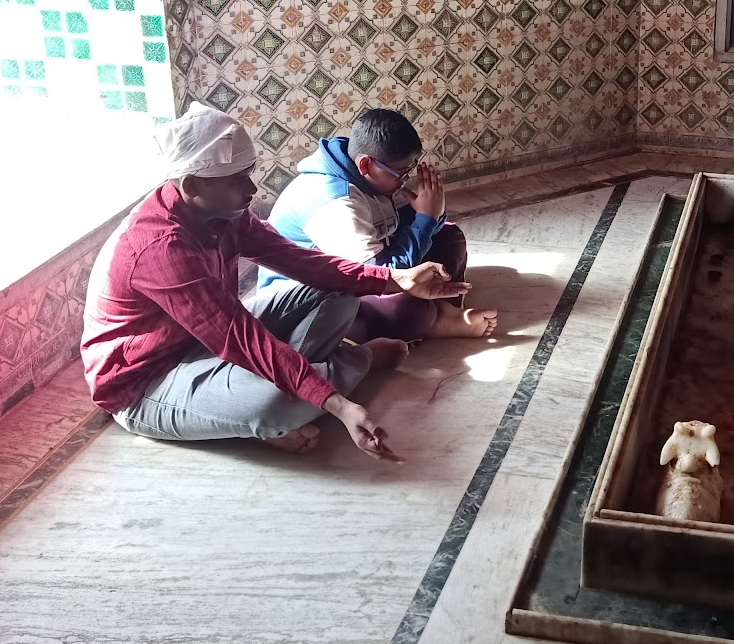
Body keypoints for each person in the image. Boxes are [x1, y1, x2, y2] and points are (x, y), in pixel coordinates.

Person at [81, 102, 469, 459]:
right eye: (237, 180)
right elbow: (239, 338)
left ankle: (275, 402)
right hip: (148, 382)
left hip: (204, 342)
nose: (252, 190)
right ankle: (352, 364)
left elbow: (304, 262)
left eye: (248, 175)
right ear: (192, 186)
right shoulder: (161, 250)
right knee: (278, 402)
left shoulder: (222, 214)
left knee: (339, 291)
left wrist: (395, 278)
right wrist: (338, 405)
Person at [261, 108, 498, 341]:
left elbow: (412, 227)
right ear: (365, 165)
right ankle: (436, 318)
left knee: (449, 236)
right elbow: (379, 275)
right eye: (401, 173)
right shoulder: (334, 201)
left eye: (410, 169)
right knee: (404, 310)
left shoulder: (373, 174)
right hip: (310, 299)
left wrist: (433, 212)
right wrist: (426, 219)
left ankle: (437, 308)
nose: (405, 180)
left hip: (367, 267)